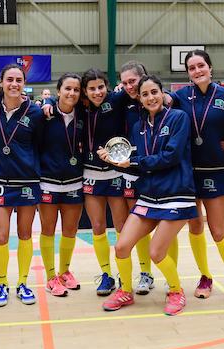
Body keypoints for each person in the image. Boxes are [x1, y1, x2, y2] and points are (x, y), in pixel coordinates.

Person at [98, 74, 196, 315]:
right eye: (145, 94)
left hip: (177, 194)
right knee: (121, 247)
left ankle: (176, 291)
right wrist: (114, 161)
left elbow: (171, 157)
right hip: (149, 196)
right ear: (139, 100)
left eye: (154, 92)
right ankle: (125, 292)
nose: (150, 97)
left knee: (156, 252)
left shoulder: (178, 118)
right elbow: (135, 162)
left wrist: (135, 161)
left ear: (162, 93)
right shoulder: (137, 127)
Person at [167, 50, 224, 303]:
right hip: (188, 171)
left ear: (210, 67)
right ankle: (205, 276)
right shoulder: (179, 97)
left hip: (215, 170)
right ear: (187, 73)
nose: (197, 70)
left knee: (218, 229)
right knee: (195, 226)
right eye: (192, 67)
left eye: (201, 65)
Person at [118, 61, 180, 295]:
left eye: (133, 81)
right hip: (141, 180)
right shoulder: (127, 108)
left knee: (163, 238)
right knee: (129, 236)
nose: (129, 87)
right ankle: (139, 278)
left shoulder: (174, 109)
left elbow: (172, 153)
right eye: (124, 83)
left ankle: (173, 281)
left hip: (171, 183)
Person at [0, 64, 45, 307]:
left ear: (24, 83)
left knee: (24, 234)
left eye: (18, 79)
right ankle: (2, 284)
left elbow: (42, 145)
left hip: (27, 182)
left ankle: (23, 283)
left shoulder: (36, 113)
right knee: (1, 236)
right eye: (9, 79)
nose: (14, 84)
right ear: (0, 82)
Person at [80, 68, 130, 296]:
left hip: (115, 173)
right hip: (90, 173)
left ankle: (123, 273)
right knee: (98, 227)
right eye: (92, 88)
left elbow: (136, 90)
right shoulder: (81, 105)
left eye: (101, 87)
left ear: (107, 86)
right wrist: (48, 101)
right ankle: (106, 275)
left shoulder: (117, 99)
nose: (97, 92)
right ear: (85, 91)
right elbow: (59, 98)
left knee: (121, 227)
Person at [38, 73, 84, 297]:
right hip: (48, 182)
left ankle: (65, 271)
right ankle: (50, 276)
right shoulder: (44, 114)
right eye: (67, 88)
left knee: (70, 231)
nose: (72, 93)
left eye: (76, 89)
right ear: (58, 91)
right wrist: (45, 103)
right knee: (48, 230)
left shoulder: (83, 115)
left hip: (74, 182)